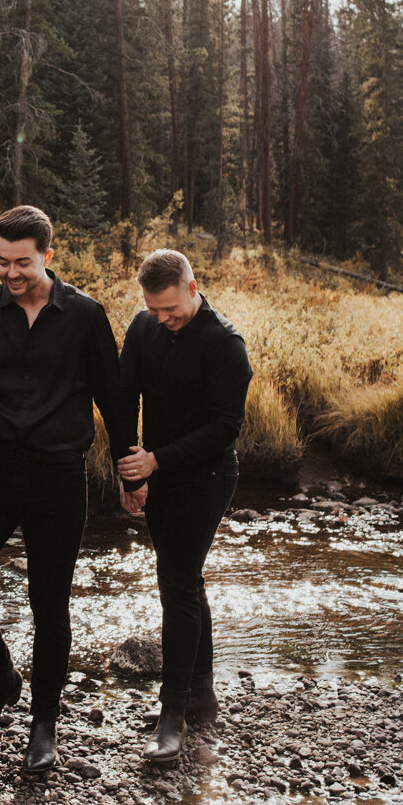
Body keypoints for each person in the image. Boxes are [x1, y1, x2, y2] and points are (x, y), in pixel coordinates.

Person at [0, 205, 134, 773]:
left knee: (49, 603)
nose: (11, 273)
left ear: (48, 254)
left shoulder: (85, 315)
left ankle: (44, 724)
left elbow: (112, 399)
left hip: (58, 475)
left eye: (22, 262)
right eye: (1, 262)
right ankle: (1, 681)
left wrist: (127, 470)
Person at [115, 248, 252, 763]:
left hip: (207, 474)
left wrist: (156, 462)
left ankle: (171, 714)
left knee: (174, 582)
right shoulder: (143, 328)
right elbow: (124, 398)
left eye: (170, 309)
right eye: (153, 309)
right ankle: (203, 696)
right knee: (188, 580)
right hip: (154, 470)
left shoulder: (224, 343)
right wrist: (129, 468)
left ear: (193, 289)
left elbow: (224, 429)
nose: (162, 318)